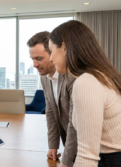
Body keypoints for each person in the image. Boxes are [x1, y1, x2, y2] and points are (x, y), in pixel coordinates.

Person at [49, 20, 121, 167]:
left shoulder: (87, 82)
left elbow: (87, 157)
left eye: (51, 51)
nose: (50, 58)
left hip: (109, 161)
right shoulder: (101, 76)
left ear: (64, 47)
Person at [27, 31, 77, 167]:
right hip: (69, 143)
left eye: (39, 58)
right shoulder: (44, 77)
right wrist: (53, 145)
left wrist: (66, 159)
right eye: (32, 59)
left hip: (89, 147)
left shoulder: (72, 76)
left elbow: (75, 122)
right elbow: (51, 111)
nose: (34, 65)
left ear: (53, 53)